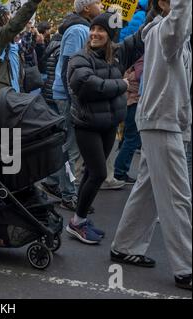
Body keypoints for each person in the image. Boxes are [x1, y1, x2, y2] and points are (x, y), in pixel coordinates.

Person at [111, 0, 192, 291]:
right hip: (161, 120)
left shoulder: (170, 34)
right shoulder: (164, 31)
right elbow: (181, 15)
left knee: (147, 189)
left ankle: (124, 245)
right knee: (177, 195)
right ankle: (187, 267)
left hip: (165, 119)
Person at [66, 12, 144, 244]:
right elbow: (87, 85)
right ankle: (78, 221)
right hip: (87, 125)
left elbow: (141, 36)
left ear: (111, 35)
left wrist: (155, 7)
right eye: (93, 29)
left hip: (109, 124)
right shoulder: (80, 58)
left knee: (92, 173)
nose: (95, 33)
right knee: (99, 173)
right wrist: (120, 84)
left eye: (101, 30)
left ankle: (78, 219)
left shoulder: (118, 54)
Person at [41, 0, 104, 211]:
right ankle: (69, 194)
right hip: (68, 96)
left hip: (69, 95)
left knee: (67, 143)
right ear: (87, 8)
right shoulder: (79, 30)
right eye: (97, 2)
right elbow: (68, 64)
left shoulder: (83, 28)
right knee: (70, 146)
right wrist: (74, 96)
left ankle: (53, 182)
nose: (102, 5)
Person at [0, 0, 42, 94]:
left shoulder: (2, 39)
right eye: (7, 15)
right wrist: (33, 2)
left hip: (12, 91)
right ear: (0, 18)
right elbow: (14, 25)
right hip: (2, 95)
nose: (10, 17)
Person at [113, 56, 144, 184]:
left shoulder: (134, 61)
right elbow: (140, 83)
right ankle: (120, 171)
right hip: (134, 103)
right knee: (132, 139)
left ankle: (119, 170)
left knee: (128, 138)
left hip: (128, 102)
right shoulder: (143, 64)